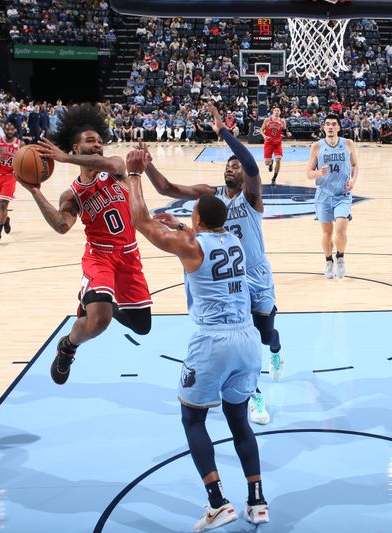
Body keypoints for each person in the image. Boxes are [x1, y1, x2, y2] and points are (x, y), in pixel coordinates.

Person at [125, 152, 270, 531]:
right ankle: (257, 501)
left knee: (192, 418)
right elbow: (204, 236)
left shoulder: (192, 245)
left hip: (214, 341)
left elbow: (141, 220)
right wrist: (182, 225)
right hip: (247, 340)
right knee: (239, 419)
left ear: (198, 220)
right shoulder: (235, 240)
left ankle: (218, 501)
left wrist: (134, 175)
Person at [142, 102, 283, 425]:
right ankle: (254, 395)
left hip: (257, 274)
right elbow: (168, 188)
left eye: (236, 165)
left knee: (265, 334)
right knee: (244, 337)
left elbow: (251, 165)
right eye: (229, 165)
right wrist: (148, 166)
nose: (233, 167)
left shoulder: (251, 196)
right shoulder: (212, 195)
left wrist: (223, 132)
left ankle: (276, 347)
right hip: (227, 280)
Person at [19, 104, 152, 384]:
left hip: (130, 256)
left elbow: (114, 163)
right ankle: (68, 346)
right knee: (98, 322)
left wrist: (66, 159)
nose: (97, 145)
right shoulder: (72, 194)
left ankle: (94, 300)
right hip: (99, 257)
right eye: (90, 141)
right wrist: (35, 192)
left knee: (142, 326)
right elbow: (61, 225)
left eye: (99, 141)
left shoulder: (115, 169)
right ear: (75, 147)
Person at [306, 114, 359, 278]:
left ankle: (340, 258)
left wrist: (353, 180)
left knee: (341, 230)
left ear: (338, 127)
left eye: (333, 124)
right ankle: (328, 261)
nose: (330, 127)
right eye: (327, 124)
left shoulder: (348, 144)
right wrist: (318, 173)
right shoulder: (317, 146)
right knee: (327, 233)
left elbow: (355, 165)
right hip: (323, 195)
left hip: (342, 194)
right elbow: (308, 173)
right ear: (323, 127)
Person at [260, 107, 291, 185]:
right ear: (272, 112)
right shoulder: (267, 120)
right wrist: (264, 136)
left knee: (278, 160)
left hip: (277, 143)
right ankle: (270, 163)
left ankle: (274, 177)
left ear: (280, 112)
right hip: (268, 143)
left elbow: (284, 130)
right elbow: (261, 130)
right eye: (275, 110)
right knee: (267, 163)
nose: (277, 112)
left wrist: (287, 133)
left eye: (278, 110)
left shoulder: (282, 121)